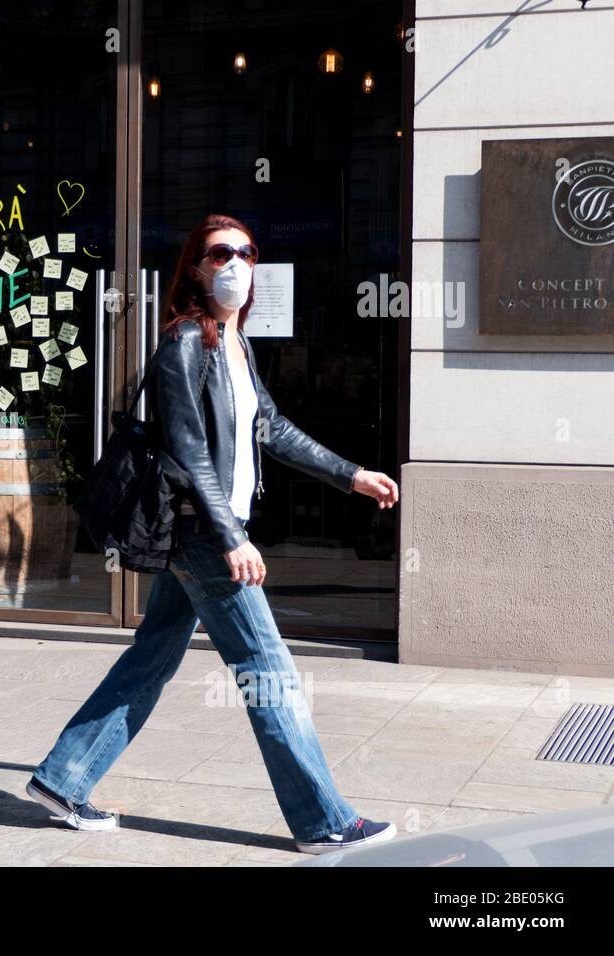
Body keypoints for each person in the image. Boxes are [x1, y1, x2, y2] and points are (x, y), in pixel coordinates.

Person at [25, 213, 401, 855]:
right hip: (204, 534)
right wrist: (230, 535)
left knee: (153, 656)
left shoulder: (234, 342)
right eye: (220, 253)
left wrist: (351, 474)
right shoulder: (184, 343)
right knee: (269, 672)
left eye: (247, 252)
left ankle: (63, 778)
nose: (235, 264)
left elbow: (271, 428)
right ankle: (323, 820)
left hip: (211, 530)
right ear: (195, 268)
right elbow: (187, 447)